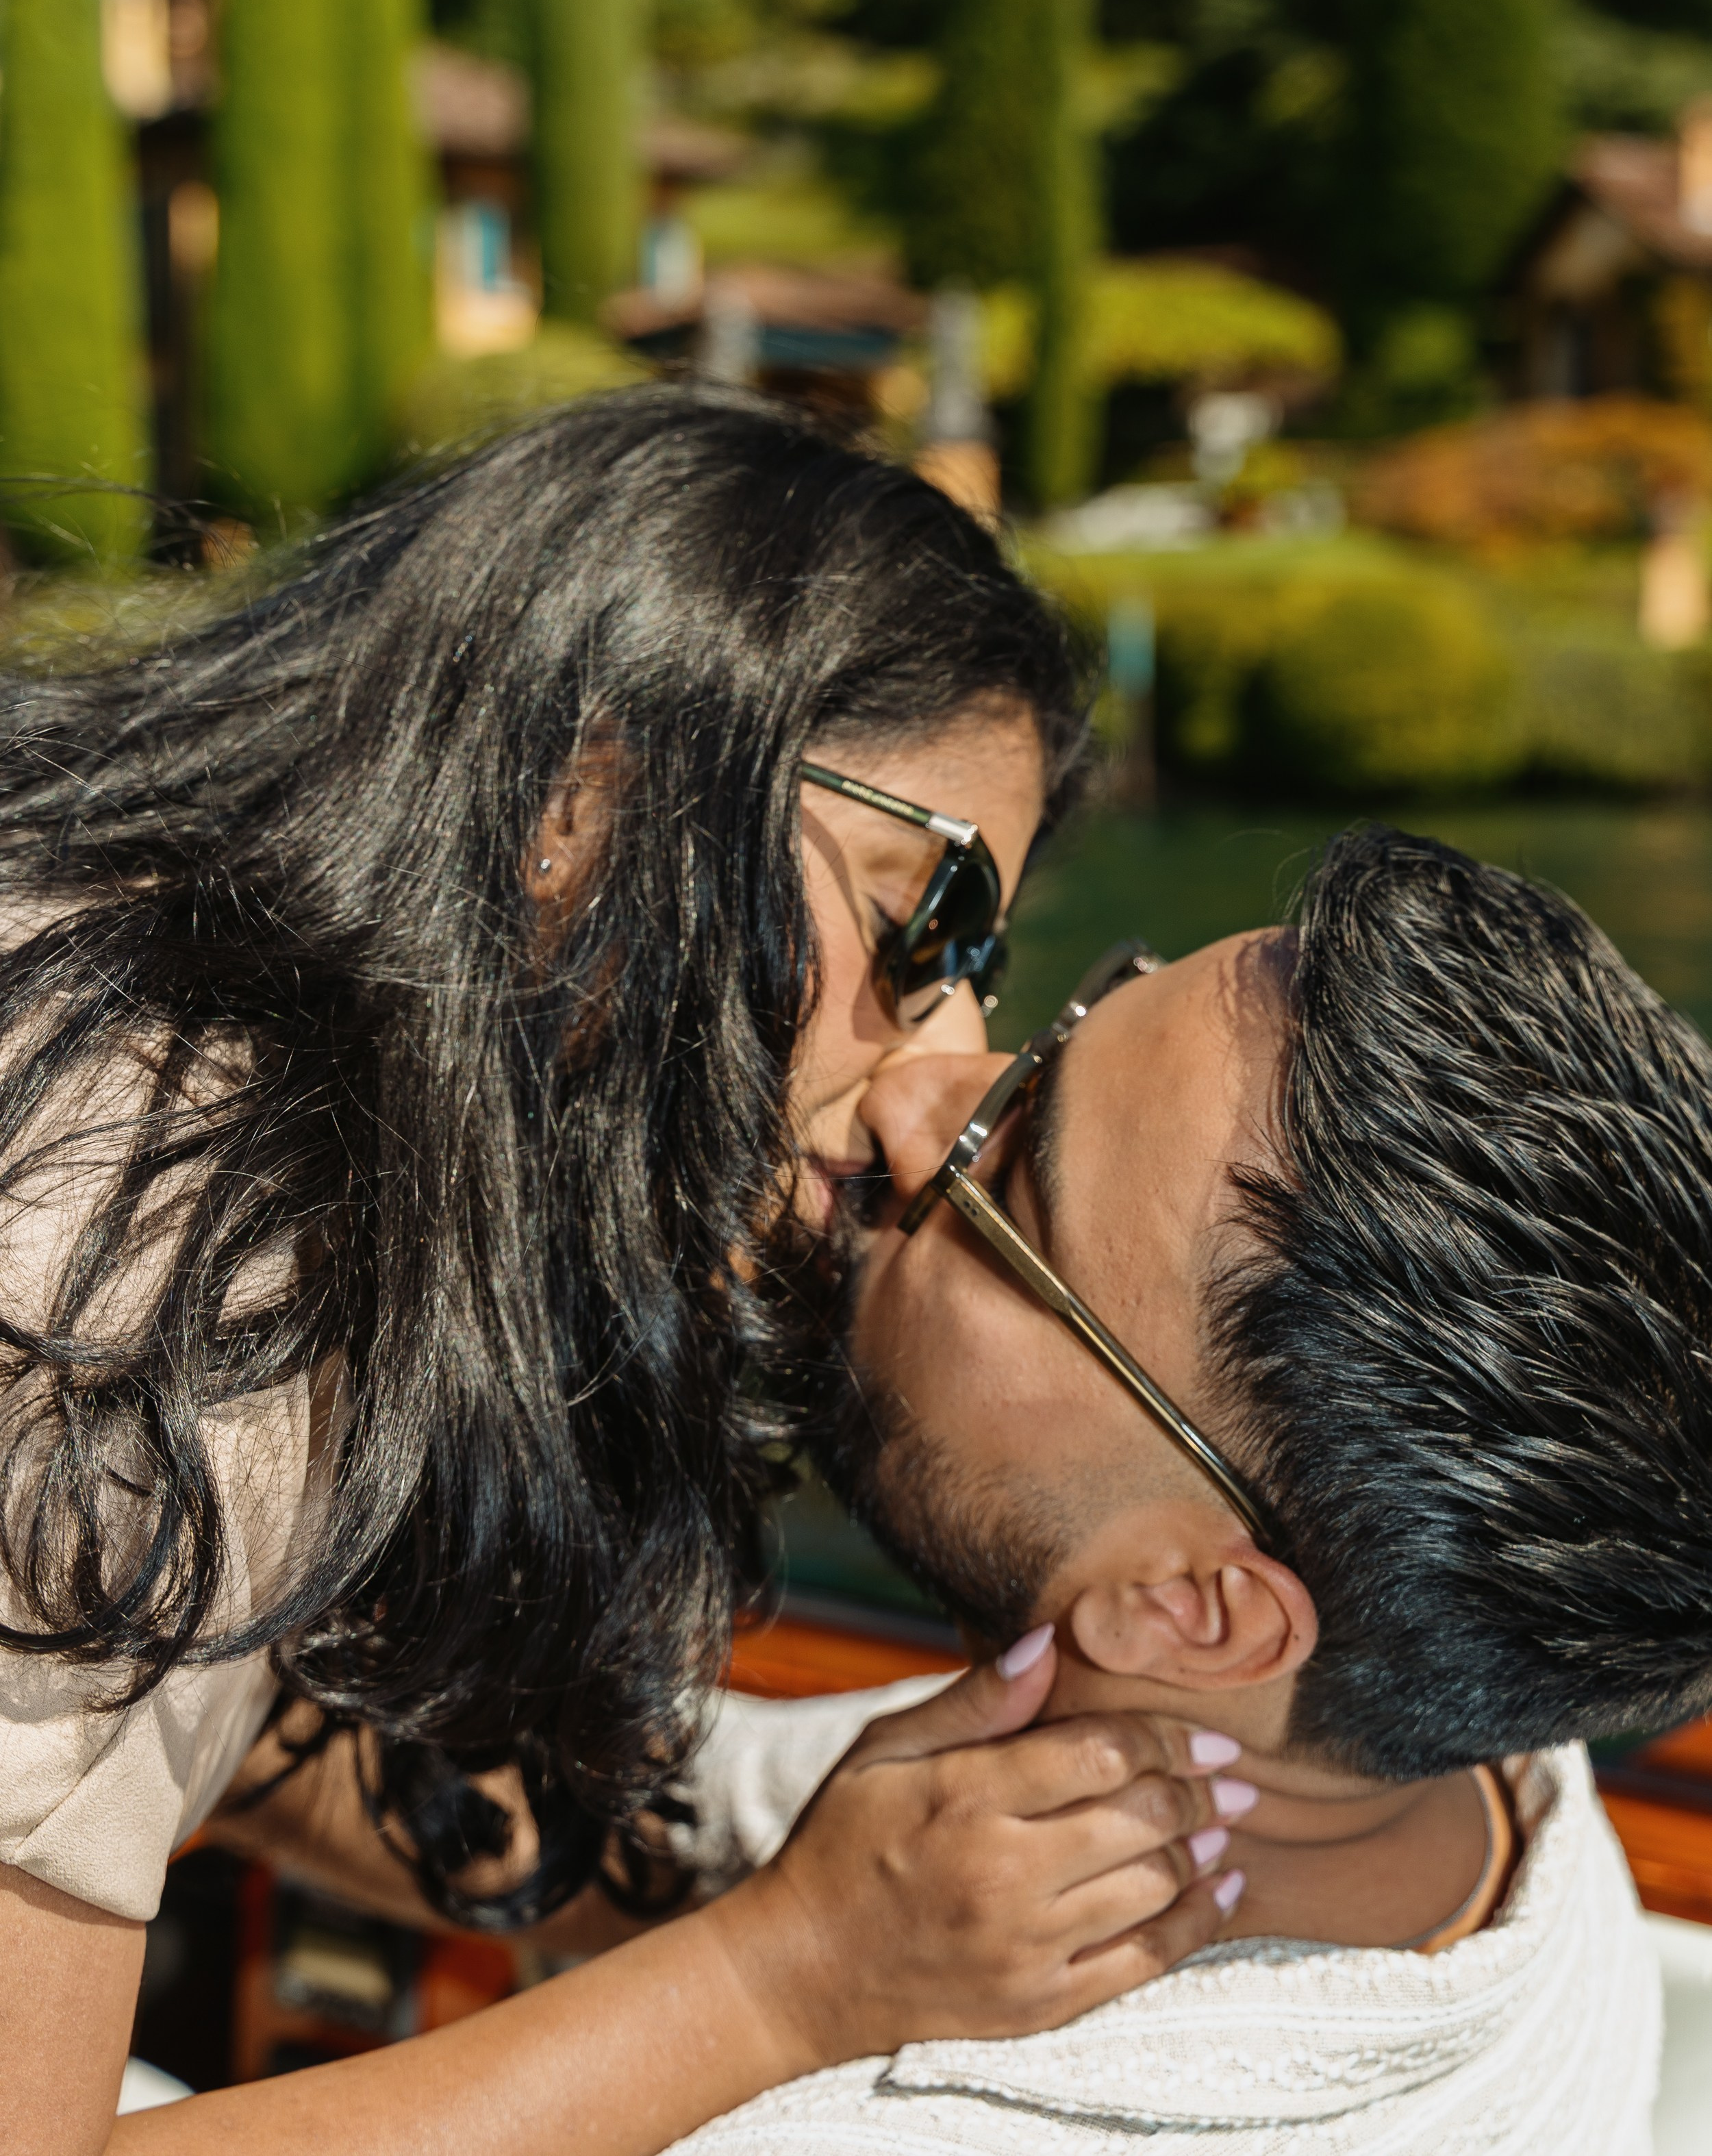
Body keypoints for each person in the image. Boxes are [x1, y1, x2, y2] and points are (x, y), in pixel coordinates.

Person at [0, 388, 1245, 2155]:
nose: (942, 1048)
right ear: (582, 794)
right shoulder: (122, 1259)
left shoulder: (243, 1081)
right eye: (927, 921)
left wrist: (724, 1880)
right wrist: (786, 1977)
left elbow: (198, 1713)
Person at [668, 825, 1712, 2155]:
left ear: (1192, 1606)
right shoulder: (1501, 1781)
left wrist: (761, 1985)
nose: (912, 1094)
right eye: (1055, 1032)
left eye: (1007, 1183)